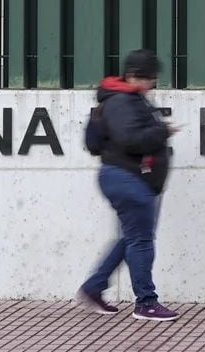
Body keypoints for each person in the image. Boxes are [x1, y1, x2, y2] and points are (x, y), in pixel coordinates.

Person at [76, 49, 180, 322]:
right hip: (127, 178)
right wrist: (162, 132)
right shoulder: (123, 101)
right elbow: (130, 138)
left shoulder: (126, 99)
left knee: (130, 239)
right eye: (148, 78)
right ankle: (146, 302)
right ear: (133, 75)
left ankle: (94, 287)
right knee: (142, 241)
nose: (152, 84)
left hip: (130, 179)